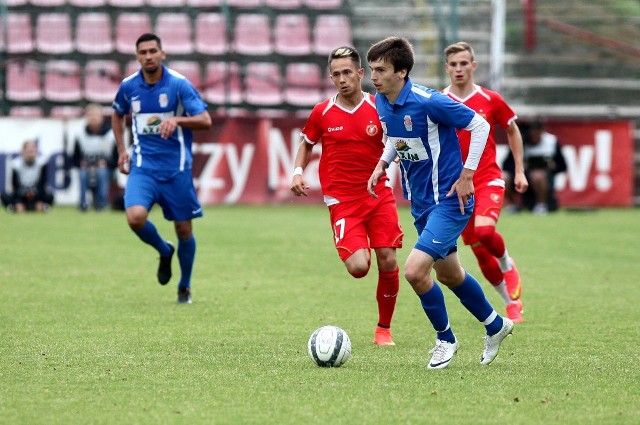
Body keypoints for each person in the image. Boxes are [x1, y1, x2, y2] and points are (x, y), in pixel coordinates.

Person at [366, 36, 514, 369]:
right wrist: (382, 164)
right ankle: (495, 324)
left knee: (415, 272)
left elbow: (479, 124)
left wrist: (467, 174)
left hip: (450, 200)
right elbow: (396, 137)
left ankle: (445, 339)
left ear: (402, 71)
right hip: (420, 203)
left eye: (381, 69)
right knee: (450, 275)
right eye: (372, 69)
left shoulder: (428, 101)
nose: (374, 76)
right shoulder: (381, 99)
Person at [290, 46, 404, 346]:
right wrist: (298, 172)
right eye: (336, 74)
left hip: (378, 194)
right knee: (358, 267)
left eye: (347, 73)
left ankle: (383, 329)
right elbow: (307, 143)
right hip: (342, 201)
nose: (342, 79)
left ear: (360, 74)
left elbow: (397, 141)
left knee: (388, 260)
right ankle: (359, 244)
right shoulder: (322, 112)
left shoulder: (379, 107)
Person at [111, 33, 212, 304]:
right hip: (143, 168)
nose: (148, 56)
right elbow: (117, 112)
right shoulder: (128, 86)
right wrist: (122, 149)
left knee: (184, 231)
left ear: (162, 54)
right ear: (137, 57)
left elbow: (205, 119)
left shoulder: (179, 85)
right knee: (134, 217)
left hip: (177, 170)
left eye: (153, 51)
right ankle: (163, 250)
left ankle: (185, 286)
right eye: (143, 52)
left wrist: (178, 120)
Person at [441, 41, 527, 323]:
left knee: (486, 234)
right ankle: (510, 302)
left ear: (473, 66)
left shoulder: (490, 99)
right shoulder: (440, 101)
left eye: (463, 63)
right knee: (478, 251)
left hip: (487, 177)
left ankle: (507, 263)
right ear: (447, 69)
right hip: (457, 187)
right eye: (453, 64)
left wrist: (519, 170)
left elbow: (512, 131)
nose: (458, 69)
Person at [503, 119, 567, 215]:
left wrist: (552, 167)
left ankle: (541, 206)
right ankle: (512, 205)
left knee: (537, 175)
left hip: (543, 178)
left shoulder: (551, 142)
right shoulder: (521, 141)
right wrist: (520, 166)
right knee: (503, 177)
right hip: (522, 176)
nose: (535, 136)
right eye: (533, 133)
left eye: (538, 133)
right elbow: (506, 165)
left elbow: (563, 166)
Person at [73, 103, 118, 211]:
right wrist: (81, 163)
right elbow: (74, 158)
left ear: (101, 116)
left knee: (101, 172)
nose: (93, 118)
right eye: (90, 115)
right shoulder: (80, 135)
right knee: (82, 173)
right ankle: (83, 204)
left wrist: (106, 163)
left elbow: (117, 159)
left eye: (96, 115)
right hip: (87, 169)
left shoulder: (111, 134)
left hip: (106, 170)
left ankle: (101, 204)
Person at [1, 140, 54, 213]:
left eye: (33, 148)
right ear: (23, 151)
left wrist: (39, 200)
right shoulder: (16, 164)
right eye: (29, 148)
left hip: (36, 194)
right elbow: (15, 186)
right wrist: (18, 202)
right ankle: (18, 206)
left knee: (50, 196)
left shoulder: (41, 163)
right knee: (4, 196)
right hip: (21, 194)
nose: (31, 150)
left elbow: (42, 184)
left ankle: (38, 205)